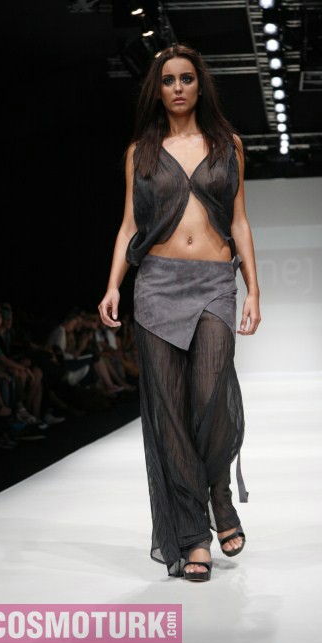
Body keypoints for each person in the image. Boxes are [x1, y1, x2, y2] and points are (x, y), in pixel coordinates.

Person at [98, 44, 261, 582]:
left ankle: (219, 494)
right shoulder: (141, 152)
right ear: (157, 89)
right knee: (168, 412)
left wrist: (253, 289)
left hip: (214, 282)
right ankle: (193, 537)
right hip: (157, 286)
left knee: (212, 397)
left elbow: (238, 221)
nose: (178, 88)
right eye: (168, 80)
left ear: (199, 84)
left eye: (186, 78)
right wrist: (113, 284)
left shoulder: (227, 145)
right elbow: (129, 226)